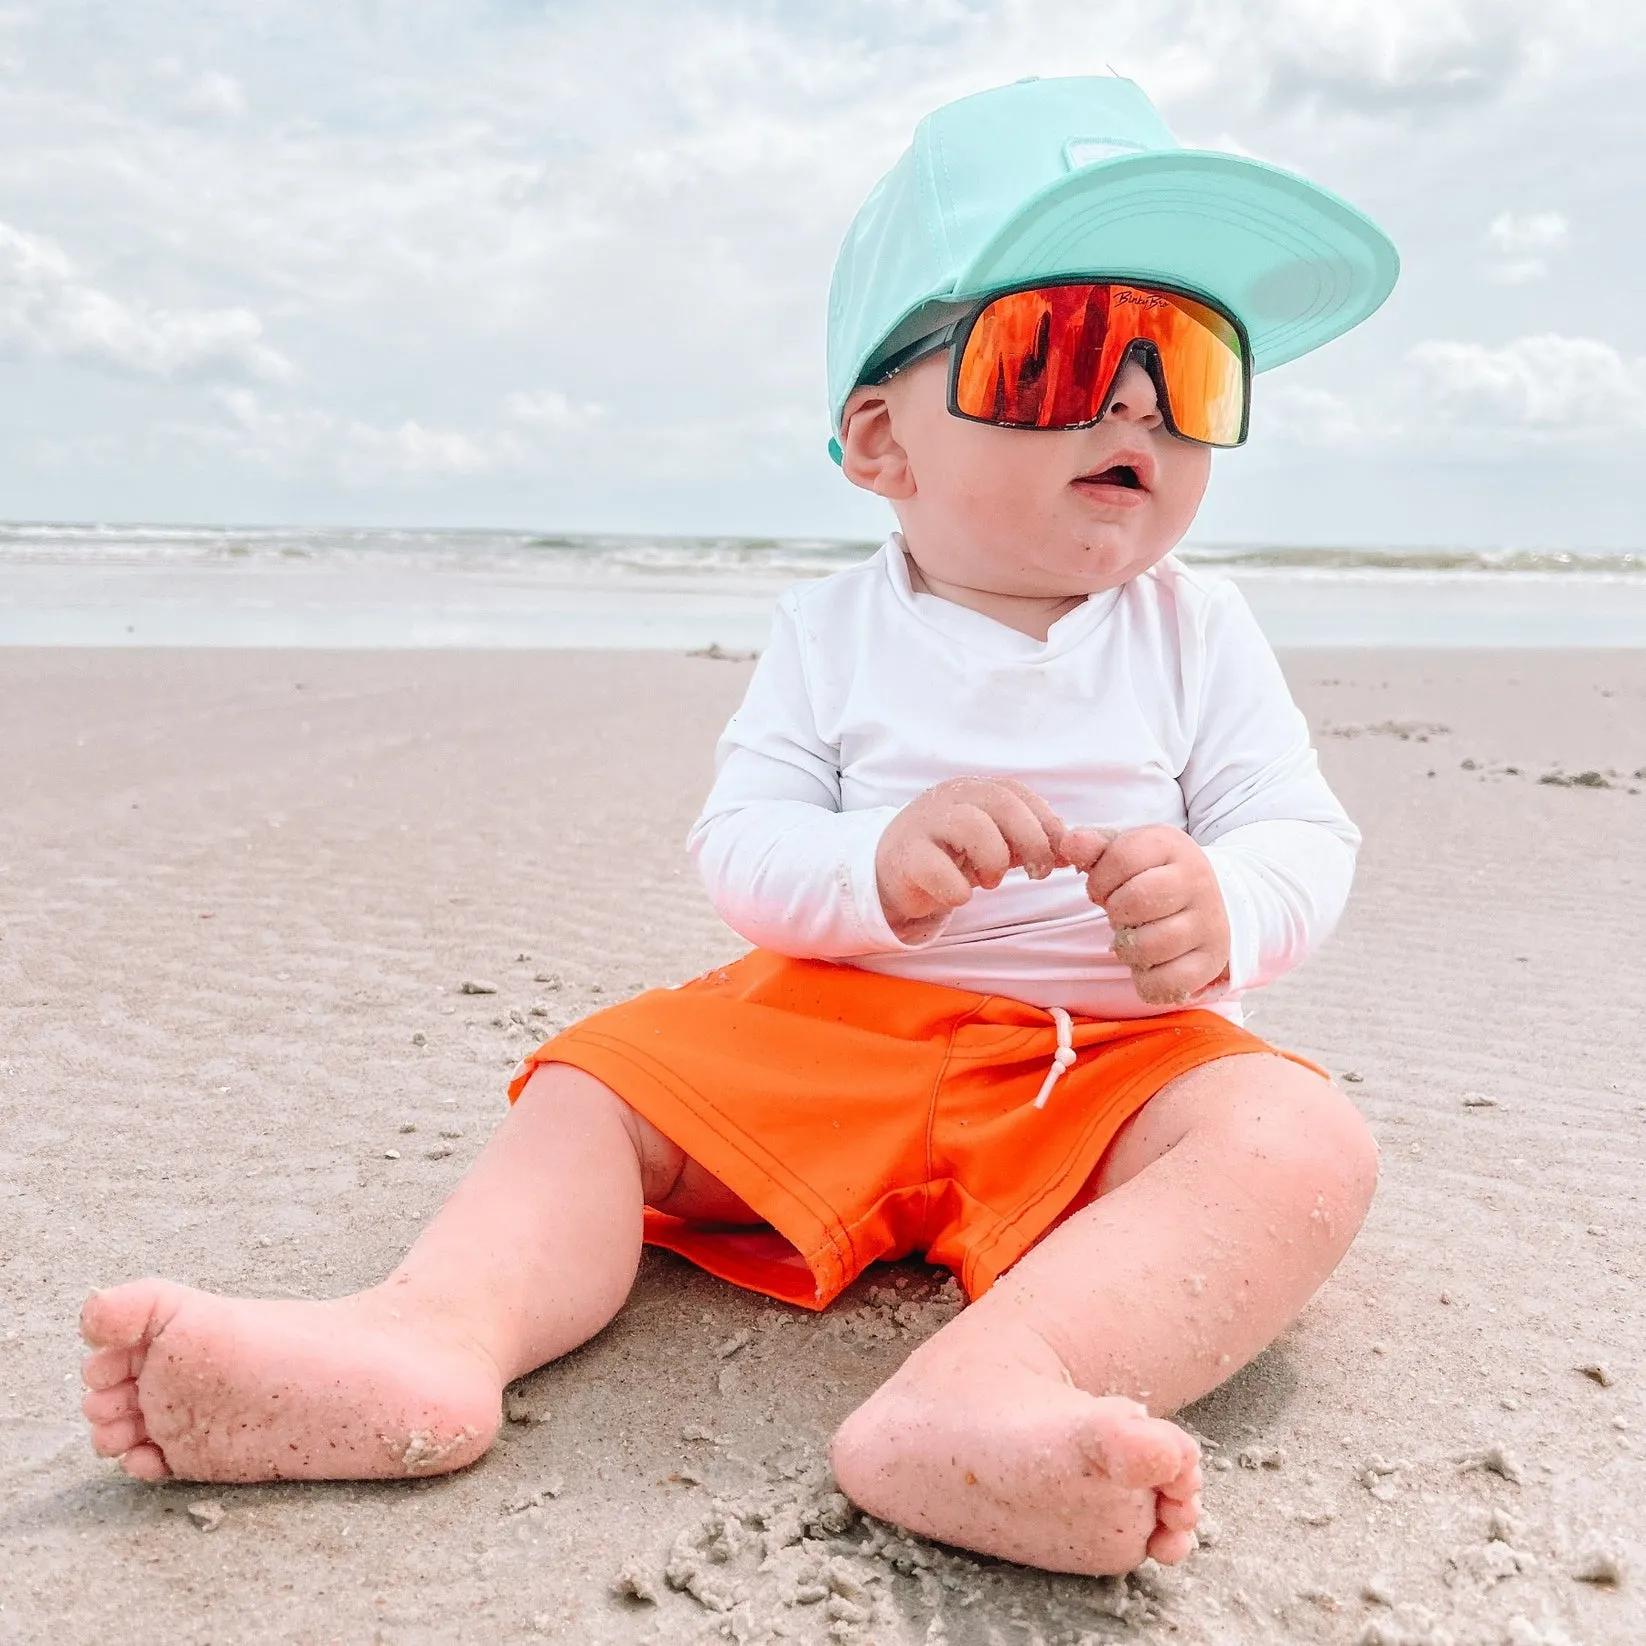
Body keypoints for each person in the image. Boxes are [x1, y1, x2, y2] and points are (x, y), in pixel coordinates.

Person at [79, 75, 1398, 1576]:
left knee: (1294, 1138)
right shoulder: (830, 634)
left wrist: (1227, 898)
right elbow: (744, 843)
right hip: (834, 1024)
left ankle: (997, 1390)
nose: (1135, 410)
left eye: (1187, 364)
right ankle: (426, 1336)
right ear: (877, 439)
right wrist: (871, 867)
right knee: (593, 1087)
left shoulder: (1194, 630)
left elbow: (1299, 827)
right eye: (1062, 351)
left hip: (1102, 1062)